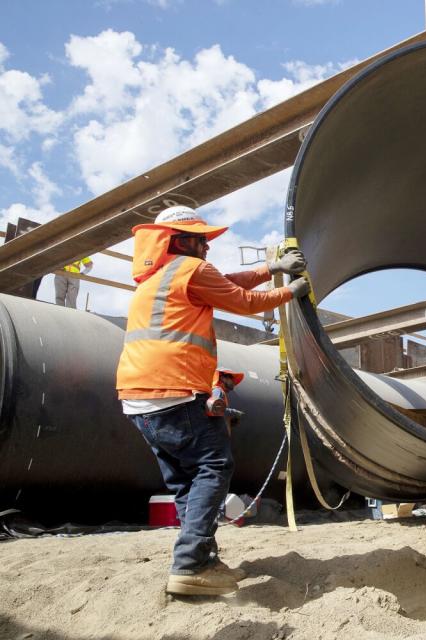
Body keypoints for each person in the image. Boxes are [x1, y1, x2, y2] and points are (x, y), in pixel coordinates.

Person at [115, 205, 311, 596]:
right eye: (200, 240)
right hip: (175, 391)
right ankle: (189, 563)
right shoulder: (192, 271)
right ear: (180, 241)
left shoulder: (159, 277)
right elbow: (242, 301)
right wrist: (289, 290)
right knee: (214, 465)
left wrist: (270, 269)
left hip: (137, 399)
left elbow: (223, 282)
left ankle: (202, 559)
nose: (206, 247)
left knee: (186, 482)